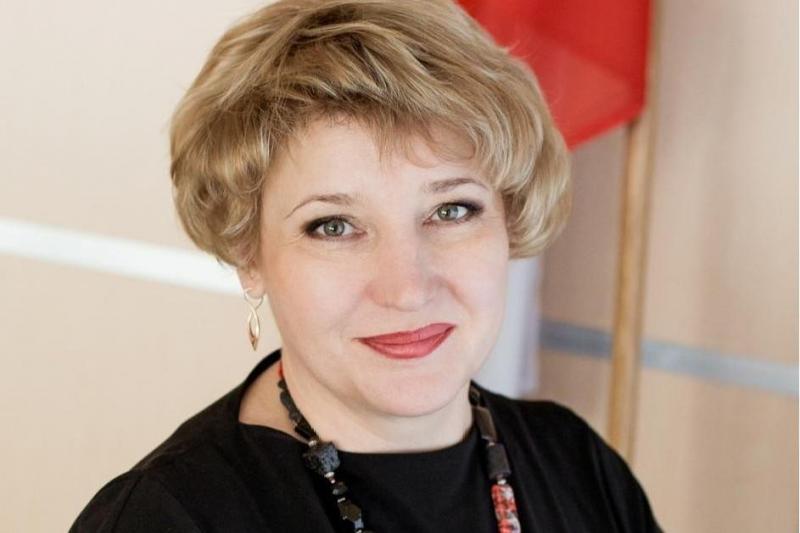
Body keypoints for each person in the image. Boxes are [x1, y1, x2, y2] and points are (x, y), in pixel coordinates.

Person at [69, 0, 663, 531]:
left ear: (509, 216)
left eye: (451, 210)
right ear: (249, 252)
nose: (407, 288)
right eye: (334, 226)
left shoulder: (577, 464)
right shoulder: (165, 517)